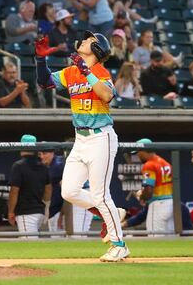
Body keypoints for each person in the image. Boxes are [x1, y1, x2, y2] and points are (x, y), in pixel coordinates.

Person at [35, 31, 130, 261]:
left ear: (97, 49)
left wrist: (86, 71)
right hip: (80, 139)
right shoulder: (71, 71)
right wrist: (40, 60)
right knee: (68, 190)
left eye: (90, 40)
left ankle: (119, 245)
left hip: (101, 137)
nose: (84, 40)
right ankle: (111, 214)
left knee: (100, 194)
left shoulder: (100, 71)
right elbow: (45, 82)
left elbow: (106, 96)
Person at [7, 135, 51, 239]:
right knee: (30, 242)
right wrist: (46, 207)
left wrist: (10, 211)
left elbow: (14, 191)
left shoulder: (18, 166)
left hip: (26, 212)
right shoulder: (43, 166)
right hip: (40, 211)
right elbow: (48, 189)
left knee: (29, 244)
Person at [132, 138, 174, 236]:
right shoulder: (165, 162)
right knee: (171, 240)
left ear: (142, 151)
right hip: (171, 203)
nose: (137, 155)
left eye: (138, 152)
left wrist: (142, 197)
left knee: (155, 238)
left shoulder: (149, 165)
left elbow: (149, 190)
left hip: (158, 205)